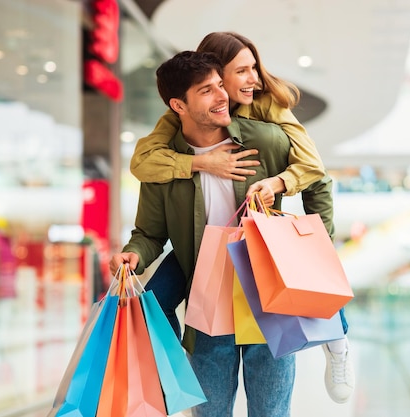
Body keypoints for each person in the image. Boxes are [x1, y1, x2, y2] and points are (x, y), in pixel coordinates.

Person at [126, 31, 354, 404]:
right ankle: (170, 377)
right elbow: (149, 231)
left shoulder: (266, 136)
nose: (226, 94)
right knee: (152, 307)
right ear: (178, 105)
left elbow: (316, 176)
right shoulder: (166, 161)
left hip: (266, 296)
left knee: (271, 409)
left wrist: (317, 241)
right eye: (208, 89)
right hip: (206, 295)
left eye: (221, 85)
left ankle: (339, 341)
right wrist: (135, 252)